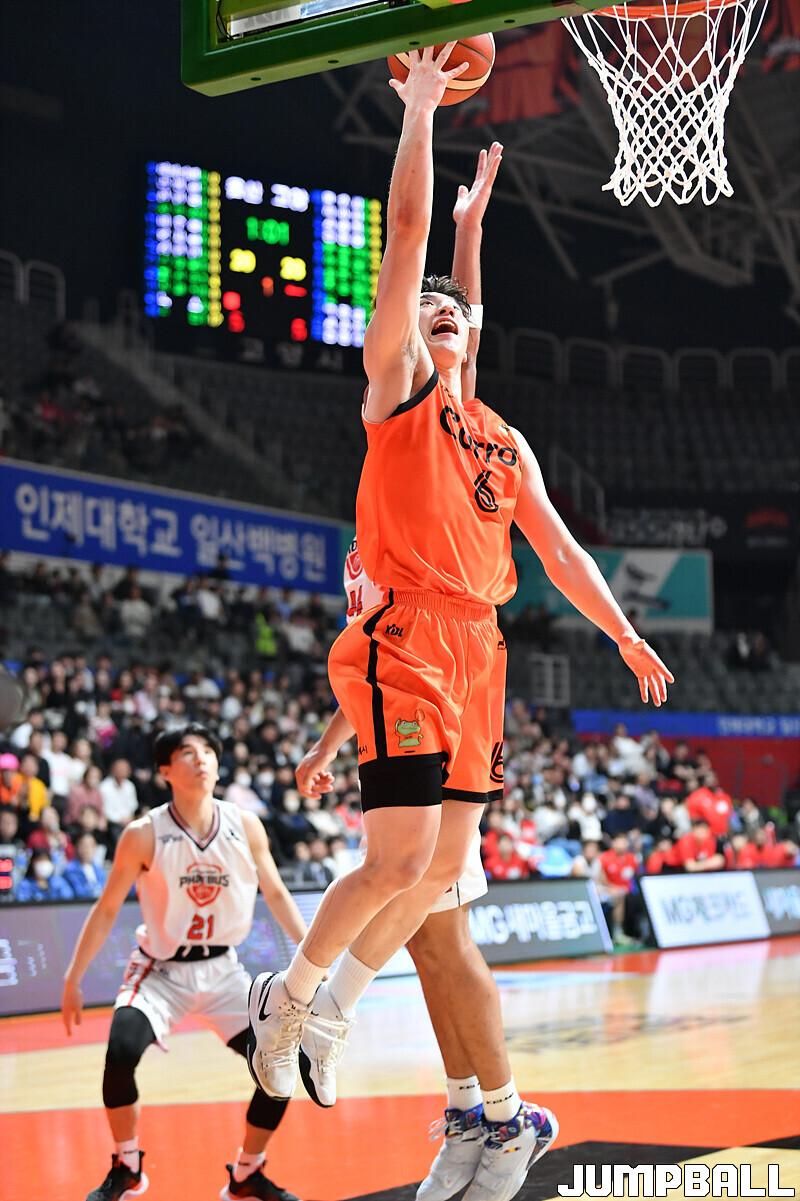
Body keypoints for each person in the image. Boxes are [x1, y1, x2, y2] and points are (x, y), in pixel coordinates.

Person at [248, 42, 672, 1186]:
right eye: (427, 318)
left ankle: (343, 1019)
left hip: (478, 651)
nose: (440, 323)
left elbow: (561, 549)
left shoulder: (499, 440)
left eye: (453, 321)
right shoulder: (398, 395)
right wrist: (422, 110)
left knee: (436, 875)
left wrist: (621, 630)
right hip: (405, 635)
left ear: (471, 338)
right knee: (399, 865)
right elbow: (404, 243)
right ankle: (293, 1000)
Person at [61, 723, 308, 1201]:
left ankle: (247, 1173)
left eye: (208, 751)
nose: (202, 759)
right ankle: (127, 1165)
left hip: (225, 972)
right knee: (121, 1053)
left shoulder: (244, 824)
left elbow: (276, 893)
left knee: (280, 1067)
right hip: (161, 971)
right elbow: (107, 908)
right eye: (188, 753)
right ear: (165, 771)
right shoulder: (143, 834)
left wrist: (314, 956)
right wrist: (74, 977)